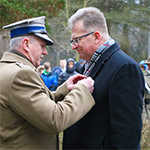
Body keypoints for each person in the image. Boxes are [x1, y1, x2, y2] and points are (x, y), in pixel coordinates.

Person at [0, 16, 95, 150]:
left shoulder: (7, 68)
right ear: (26, 44)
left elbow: (29, 107)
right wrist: (82, 90)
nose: (45, 52)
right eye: (42, 46)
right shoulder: (20, 75)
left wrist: (64, 90)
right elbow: (54, 120)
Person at [63, 7, 145, 150]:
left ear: (96, 36)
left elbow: (127, 134)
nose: (74, 47)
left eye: (77, 40)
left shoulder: (124, 67)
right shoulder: (88, 65)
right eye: (72, 41)